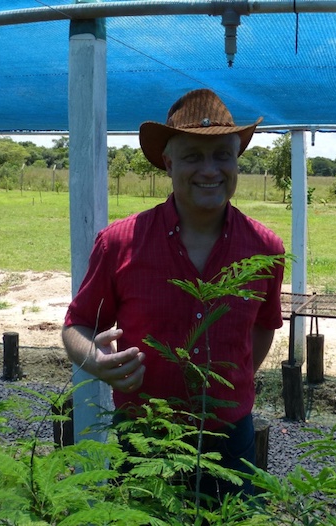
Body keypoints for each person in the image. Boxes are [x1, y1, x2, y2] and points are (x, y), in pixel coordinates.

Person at [62, 88, 285, 501]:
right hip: (145, 438)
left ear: (237, 161)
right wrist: (95, 359)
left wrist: (228, 382)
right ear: (168, 163)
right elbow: (76, 324)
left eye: (222, 154)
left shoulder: (265, 248)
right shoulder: (119, 243)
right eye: (192, 156)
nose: (209, 169)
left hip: (229, 438)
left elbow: (262, 330)